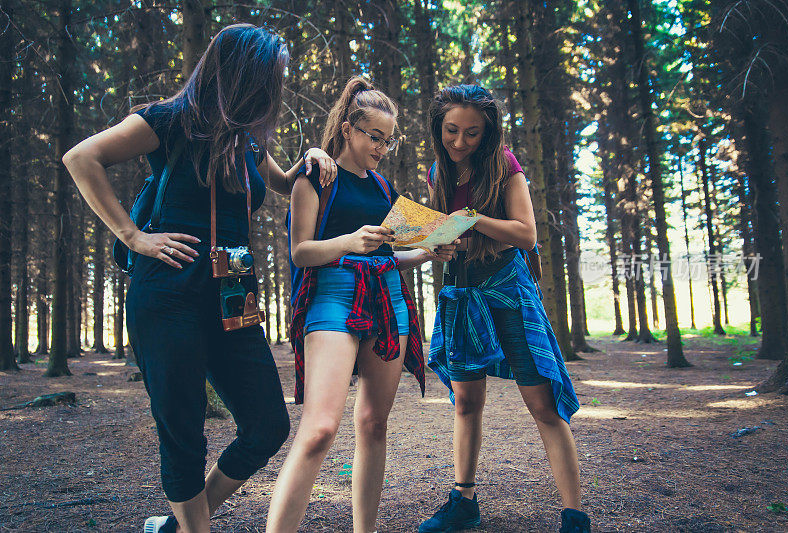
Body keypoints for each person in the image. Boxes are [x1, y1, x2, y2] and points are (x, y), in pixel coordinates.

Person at [62, 24, 338, 533]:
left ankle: (181, 523)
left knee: (267, 424)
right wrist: (132, 235)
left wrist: (314, 159)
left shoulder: (249, 142)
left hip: (234, 293)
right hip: (168, 293)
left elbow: (284, 182)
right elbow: (81, 157)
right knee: (182, 429)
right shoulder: (168, 120)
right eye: (273, 73)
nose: (277, 84)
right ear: (244, 72)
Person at [264, 76, 459, 533]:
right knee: (319, 430)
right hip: (332, 297)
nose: (381, 147)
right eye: (376, 137)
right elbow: (300, 252)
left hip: (388, 299)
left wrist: (430, 250)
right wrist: (351, 240)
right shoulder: (315, 176)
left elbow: (392, 252)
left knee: (374, 425)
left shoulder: (382, 186)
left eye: (388, 141)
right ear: (349, 128)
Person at [417, 85, 591, 533]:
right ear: (439, 128)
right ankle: (464, 501)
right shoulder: (438, 170)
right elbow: (442, 231)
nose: (460, 142)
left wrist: (472, 219)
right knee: (465, 403)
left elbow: (526, 233)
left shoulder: (504, 164)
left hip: (508, 291)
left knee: (542, 404)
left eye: (472, 134)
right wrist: (437, 242)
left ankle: (574, 516)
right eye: (452, 131)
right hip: (460, 290)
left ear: (488, 132)